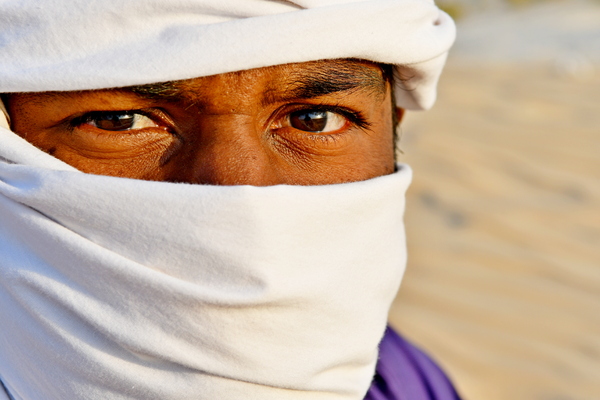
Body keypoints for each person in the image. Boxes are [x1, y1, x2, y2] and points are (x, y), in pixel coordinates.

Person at [0, 0, 458, 399]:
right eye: (119, 121)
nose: (241, 192)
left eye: (314, 120)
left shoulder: (405, 380)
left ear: (392, 126)